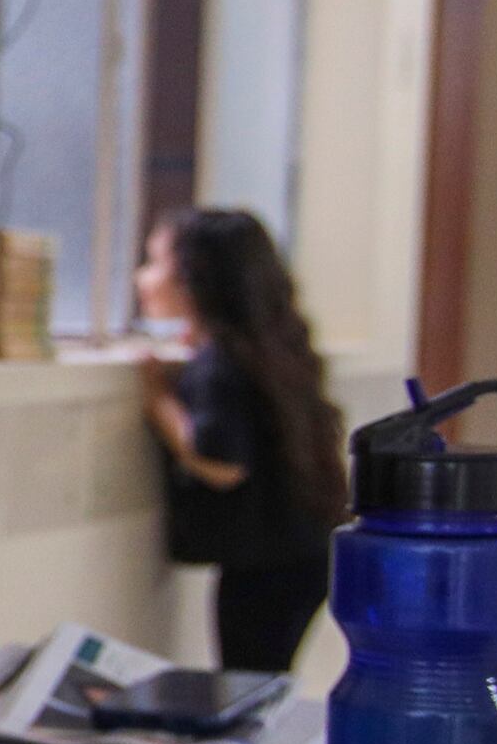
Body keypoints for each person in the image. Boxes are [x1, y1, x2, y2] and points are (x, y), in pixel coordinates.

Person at [133, 207, 347, 673]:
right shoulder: (270, 347)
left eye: (155, 264)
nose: (142, 278)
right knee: (265, 676)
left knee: (247, 681)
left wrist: (159, 403)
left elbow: (221, 463)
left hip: (265, 563)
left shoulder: (221, 363)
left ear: (195, 279)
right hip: (305, 547)